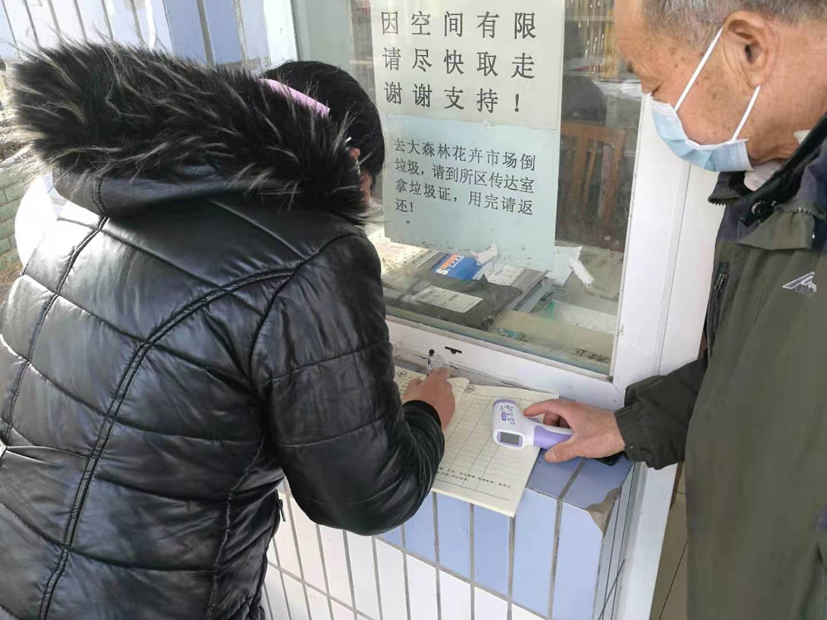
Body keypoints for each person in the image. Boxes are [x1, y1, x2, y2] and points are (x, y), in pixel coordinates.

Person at [0, 43, 455, 619]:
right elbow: (369, 497)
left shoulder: (91, 197)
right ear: (352, 164)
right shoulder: (314, 249)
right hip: (154, 601)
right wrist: (428, 414)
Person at [527, 1, 827, 618]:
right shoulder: (776, 194)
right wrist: (625, 427)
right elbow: (746, 378)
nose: (655, 108)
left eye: (654, 83)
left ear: (748, 48)